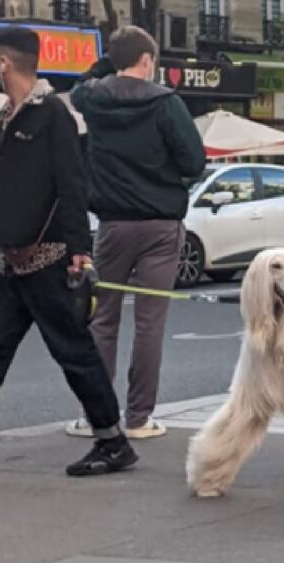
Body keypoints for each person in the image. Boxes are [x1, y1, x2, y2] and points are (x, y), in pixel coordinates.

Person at [0, 26, 137, 477]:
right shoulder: (5, 117)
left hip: (47, 255)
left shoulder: (52, 114)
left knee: (73, 351)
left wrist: (79, 250)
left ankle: (113, 440)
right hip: (9, 259)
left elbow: (72, 184)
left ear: (4, 63)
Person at [68, 26, 206, 440]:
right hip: (162, 225)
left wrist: (109, 62)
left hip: (112, 224)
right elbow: (194, 162)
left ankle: (99, 416)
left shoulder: (93, 99)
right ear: (147, 61)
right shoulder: (167, 103)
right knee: (150, 322)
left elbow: (80, 85)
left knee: (103, 319)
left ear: (114, 59)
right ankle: (140, 418)